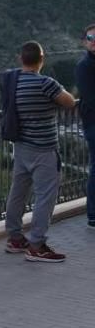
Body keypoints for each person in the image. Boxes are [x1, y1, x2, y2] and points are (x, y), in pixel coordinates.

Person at [3, 41, 76, 262]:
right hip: (44, 150)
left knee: (18, 193)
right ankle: (37, 245)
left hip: (21, 147)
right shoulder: (46, 84)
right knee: (45, 197)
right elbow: (70, 102)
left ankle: (15, 238)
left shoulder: (12, 82)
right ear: (41, 60)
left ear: (21, 59)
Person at [74, 24, 95, 229]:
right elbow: (90, 98)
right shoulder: (85, 66)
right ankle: (93, 215)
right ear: (85, 41)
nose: (94, 40)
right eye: (90, 37)